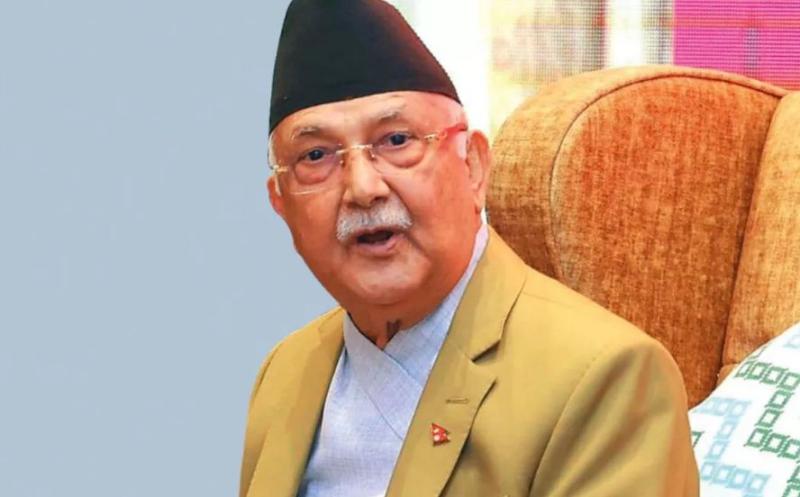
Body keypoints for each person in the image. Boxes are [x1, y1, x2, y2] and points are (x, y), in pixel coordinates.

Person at [240, 1, 699, 496]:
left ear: (474, 167)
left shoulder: (606, 376)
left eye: (396, 140)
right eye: (315, 156)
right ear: (281, 203)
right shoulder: (286, 371)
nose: (363, 188)